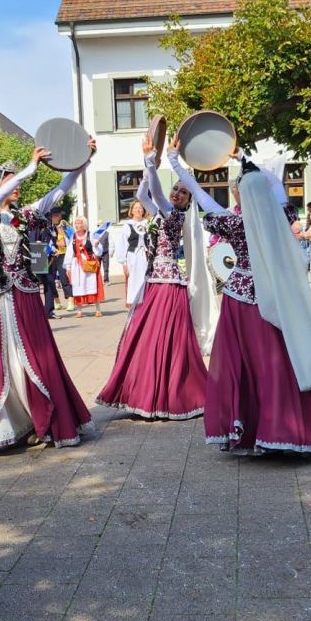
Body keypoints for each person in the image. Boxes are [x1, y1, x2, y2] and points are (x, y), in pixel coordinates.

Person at [168, 149, 311, 455]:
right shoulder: (281, 216)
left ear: (242, 195)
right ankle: (284, 428)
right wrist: (244, 159)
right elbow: (274, 183)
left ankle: (249, 426)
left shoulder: (235, 223)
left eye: (238, 189)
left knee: (240, 364)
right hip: (274, 300)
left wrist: (173, 160)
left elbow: (200, 194)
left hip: (239, 299)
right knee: (276, 363)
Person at [0, 144, 94, 450]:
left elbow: (60, 191)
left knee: (35, 356)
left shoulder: (22, 215)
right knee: (0, 360)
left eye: (15, 180)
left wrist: (83, 161)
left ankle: (42, 419)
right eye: (9, 180)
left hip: (24, 294)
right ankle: (10, 424)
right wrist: (29, 169)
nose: (16, 185)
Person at [96, 135, 212, 420]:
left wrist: (151, 162)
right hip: (154, 281)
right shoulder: (161, 213)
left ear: (189, 201)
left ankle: (166, 394)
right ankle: (147, 391)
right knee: (148, 337)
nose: (177, 193)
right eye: (176, 188)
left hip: (168, 283)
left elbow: (157, 195)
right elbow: (142, 196)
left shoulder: (175, 216)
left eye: (184, 192)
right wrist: (149, 164)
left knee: (163, 338)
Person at [112, 199, 152, 311]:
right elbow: (122, 244)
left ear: (143, 210)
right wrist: (124, 263)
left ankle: (146, 303)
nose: (138, 210)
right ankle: (135, 304)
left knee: (146, 278)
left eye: (140, 208)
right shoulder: (127, 225)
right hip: (133, 256)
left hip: (146, 256)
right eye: (136, 208)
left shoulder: (148, 223)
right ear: (132, 211)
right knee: (134, 280)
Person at [67, 216, 105, 317]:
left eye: (79, 223)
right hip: (77, 265)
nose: (77, 225)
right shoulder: (73, 237)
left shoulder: (90, 235)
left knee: (93, 285)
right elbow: (69, 252)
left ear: (84, 225)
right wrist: (68, 266)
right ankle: (79, 310)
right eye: (76, 223)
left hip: (90, 263)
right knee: (78, 286)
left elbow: (98, 251)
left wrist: (96, 245)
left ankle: (98, 309)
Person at [43, 206, 72, 316]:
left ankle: (70, 301)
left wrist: (62, 233)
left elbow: (65, 242)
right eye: (59, 215)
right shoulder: (47, 227)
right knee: (50, 281)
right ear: (53, 216)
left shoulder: (60, 227)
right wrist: (53, 246)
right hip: (49, 256)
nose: (60, 217)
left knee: (63, 279)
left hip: (60, 255)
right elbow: (46, 241)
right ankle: (55, 303)